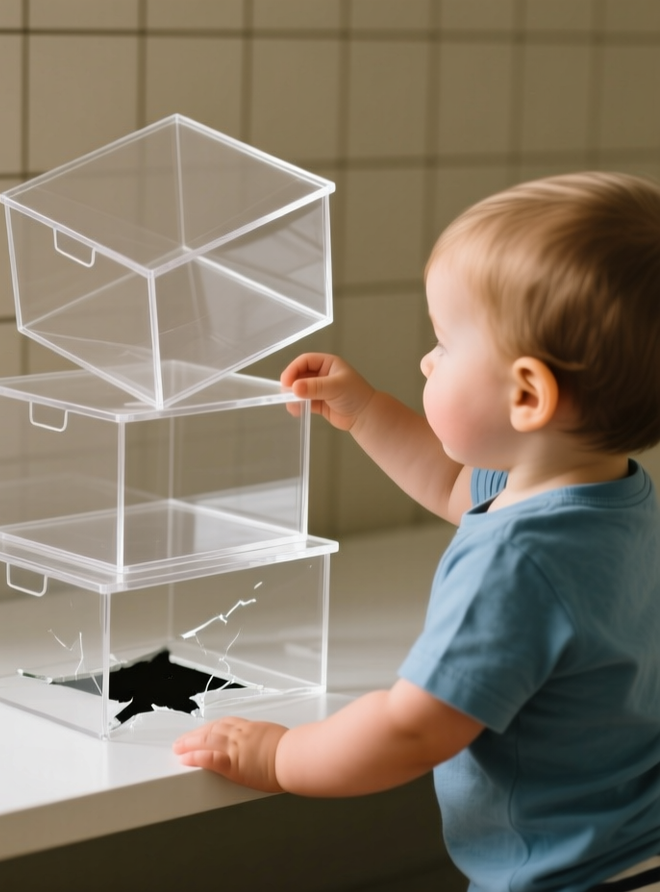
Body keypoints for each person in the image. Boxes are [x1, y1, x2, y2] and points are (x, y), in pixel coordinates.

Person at [173, 172, 660, 892]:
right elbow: (454, 485)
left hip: (563, 878)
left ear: (528, 394)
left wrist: (279, 756)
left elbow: (412, 729)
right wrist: (366, 411)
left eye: (445, 343)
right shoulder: (614, 494)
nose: (427, 361)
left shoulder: (516, 561)